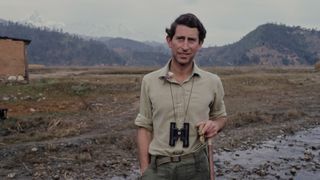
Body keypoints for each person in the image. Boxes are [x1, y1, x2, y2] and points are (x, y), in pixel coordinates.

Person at [135, 13, 227, 180]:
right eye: (180, 39)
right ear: (169, 41)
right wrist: (144, 171)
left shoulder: (212, 82)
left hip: (197, 167)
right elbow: (144, 127)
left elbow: (220, 117)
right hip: (158, 168)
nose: (185, 46)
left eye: (191, 40)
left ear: (200, 44)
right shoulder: (149, 81)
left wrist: (215, 125)